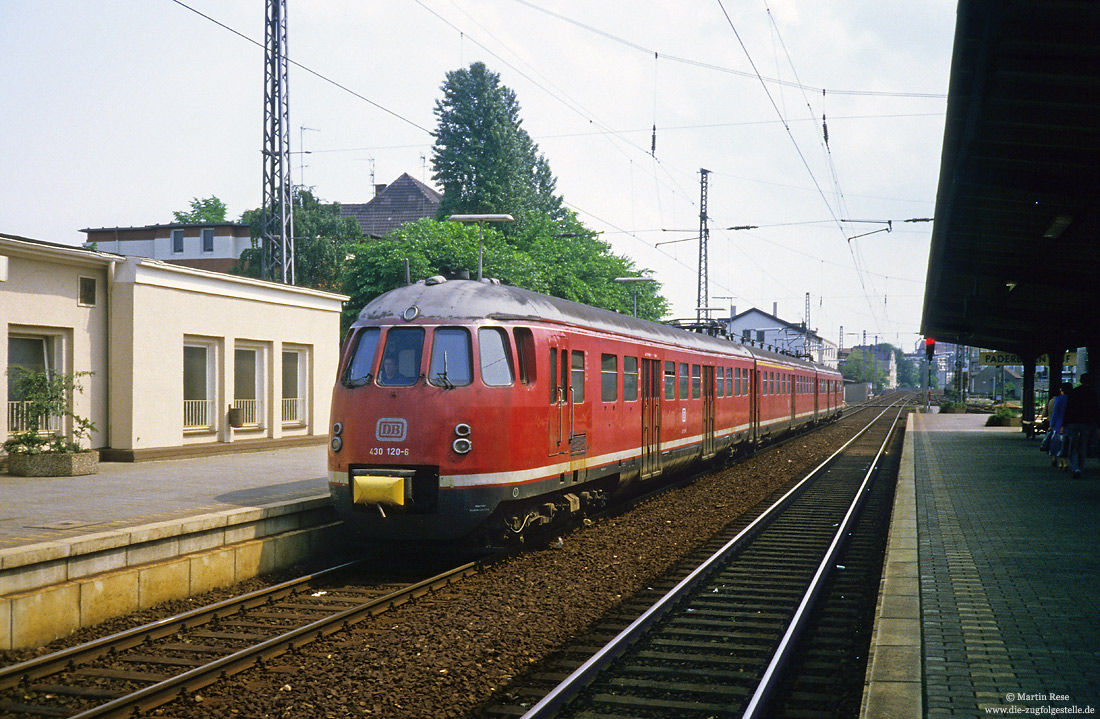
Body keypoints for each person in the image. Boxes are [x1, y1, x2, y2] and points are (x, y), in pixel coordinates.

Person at [1061, 373, 1099, 478]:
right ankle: (1080, 468)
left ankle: (1075, 468)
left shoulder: (1074, 392)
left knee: (1073, 446)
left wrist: (1064, 424)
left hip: (1072, 423)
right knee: (1083, 446)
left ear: (1081, 380)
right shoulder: (1093, 393)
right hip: (1086, 423)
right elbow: (1095, 410)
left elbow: (1067, 409)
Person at [1047, 382, 1072, 470]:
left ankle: (1063, 462)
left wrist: (1051, 425)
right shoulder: (1073, 399)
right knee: (1067, 444)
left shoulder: (1059, 399)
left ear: (1062, 390)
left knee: (1058, 444)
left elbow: (1055, 413)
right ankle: (1062, 463)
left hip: (1059, 424)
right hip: (1071, 424)